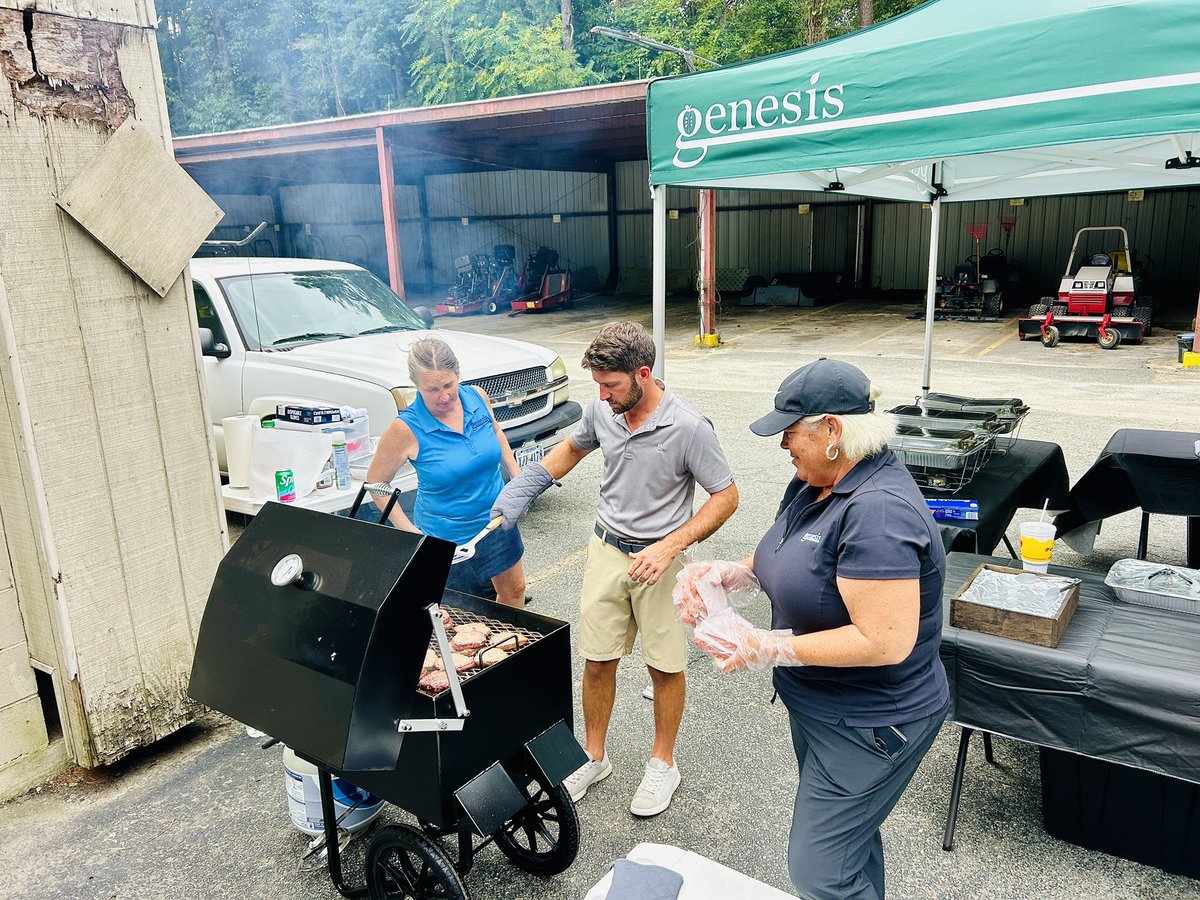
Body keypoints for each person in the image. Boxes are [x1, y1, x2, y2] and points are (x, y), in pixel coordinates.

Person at [681, 357, 948, 900]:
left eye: (790, 432)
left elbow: (884, 640)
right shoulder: (815, 483)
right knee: (847, 844)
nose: (782, 445)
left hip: (871, 722)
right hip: (821, 707)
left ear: (832, 429)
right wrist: (732, 574)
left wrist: (764, 646)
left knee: (818, 870)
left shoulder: (878, 513)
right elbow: (786, 559)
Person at [492, 321, 738, 816]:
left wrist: (671, 546)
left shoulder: (688, 426)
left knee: (664, 665)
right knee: (597, 659)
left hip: (660, 559)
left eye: (612, 386)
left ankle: (663, 764)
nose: (602, 396)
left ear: (643, 374)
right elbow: (571, 449)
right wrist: (522, 489)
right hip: (607, 549)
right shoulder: (601, 410)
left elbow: (727, 496)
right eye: (598, 385)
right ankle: (593, 755)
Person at [365, 336, 526, 606]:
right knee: (461, 617)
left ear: (458, 374)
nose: (444, 396)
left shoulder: (477, 397)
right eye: (432, 389)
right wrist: (411, 533)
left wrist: (516, 476)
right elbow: (375, 483)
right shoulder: (405, 429)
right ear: (416, 386)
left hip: (497, 523)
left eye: (449, 385)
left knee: (514, 591)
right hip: (446, 541)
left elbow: (496, 432)